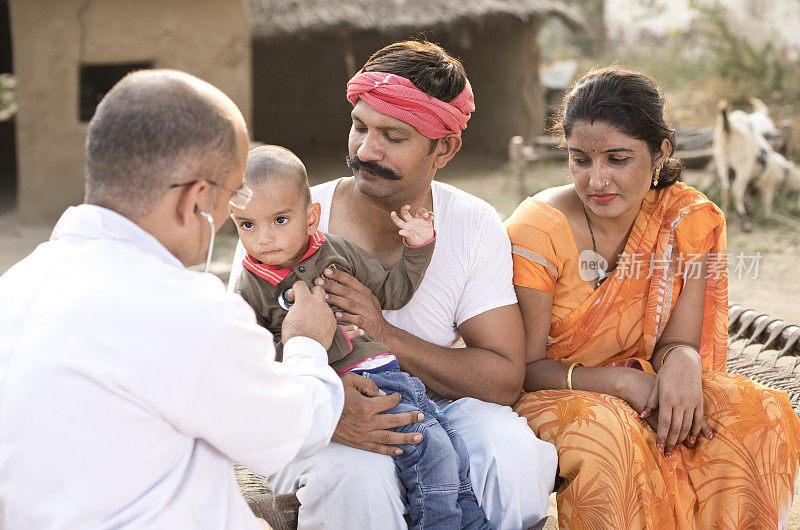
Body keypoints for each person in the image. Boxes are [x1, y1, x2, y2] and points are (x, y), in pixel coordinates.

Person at [0, 70, 344, 529]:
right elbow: (296, 430)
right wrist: (305, 342)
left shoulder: (16, 286)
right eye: (235, 193)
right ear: (196, 200)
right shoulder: (188, 312)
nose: (228, 212)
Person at [251, 40, 559, 530]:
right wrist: (329, 409)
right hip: (312, 413)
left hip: (435, 403)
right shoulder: (286, 222)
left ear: (445, 148)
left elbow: (502, 378)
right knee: (360, 476)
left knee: (514, 457)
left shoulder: (473, 225)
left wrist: (386, 335)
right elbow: (235, 365)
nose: (365, 150)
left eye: (393, 136)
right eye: (359, 127)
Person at [505, 65, 800, 528]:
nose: (597, 180)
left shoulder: (686, 220)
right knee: (613, 436)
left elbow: (677, 341)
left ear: (661, 151)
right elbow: (521, 367)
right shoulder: (538, 228)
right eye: (580, 159)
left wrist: (683, 361)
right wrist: (620, 383)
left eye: (617, 159)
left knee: (760, 415)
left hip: (647, 383)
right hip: (556, 393)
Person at [232, 145, 490, 529]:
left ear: (311, 217)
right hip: (342, 388)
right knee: (428, 451)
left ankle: (471, 523)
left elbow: (392, 293)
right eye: (247, 225)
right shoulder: (251, 288)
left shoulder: (336, 252)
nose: (264, 238)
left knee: (451, 449)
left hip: (391, 374)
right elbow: (248, 364)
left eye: (280, 220)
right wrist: (300, 340)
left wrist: (418, 248)